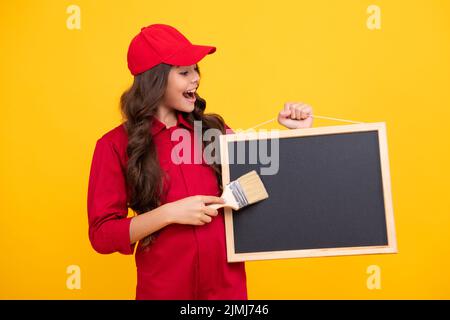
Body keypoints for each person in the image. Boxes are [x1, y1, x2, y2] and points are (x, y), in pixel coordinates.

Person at [87, 24, 313, 300]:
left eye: (196, 70)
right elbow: (102, 235)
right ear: (154, 81)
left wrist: (297, 135)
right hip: (162, 291)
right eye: (184, 72)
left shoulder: (215, 130)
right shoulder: (113, 145)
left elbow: (263, 186)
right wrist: (169, 213)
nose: (195, 78)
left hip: (227, 293)